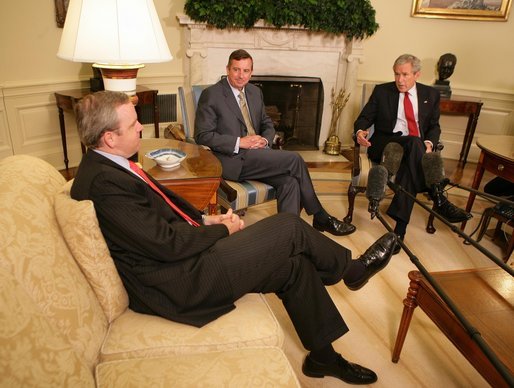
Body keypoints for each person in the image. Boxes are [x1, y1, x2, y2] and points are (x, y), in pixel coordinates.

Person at [71, 90, 397, 385]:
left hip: (185, 262)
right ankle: (351, 271)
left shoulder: (110, 165)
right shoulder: (103, 182)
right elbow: (165, 244)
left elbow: (158, 217)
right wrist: (221, 229)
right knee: (289, 226)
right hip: (179, 282)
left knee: (295, 264)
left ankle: (323, 358)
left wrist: (204, 217)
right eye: (133, 124)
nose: (141, 126)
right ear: (110, 138)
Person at [194, 49, 355, 237]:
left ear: (251, 72)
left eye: (246, 71)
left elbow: (267, 123)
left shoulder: (254, 92)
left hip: (259, 155)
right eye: (236, 70)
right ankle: (320, 216)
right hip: (233, 159)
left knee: (290, 182)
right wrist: (240, 142)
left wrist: (264, 139)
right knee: (294, 159)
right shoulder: (211, 94)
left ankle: (288, 237)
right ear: (228, 69)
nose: (241, 75)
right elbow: (202, 135)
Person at [354, 54, 471, 253]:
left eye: (405, 75)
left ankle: (399, 232)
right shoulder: (382, 91)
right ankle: (438, 196)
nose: (400, 80)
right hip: (388, 144)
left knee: (412, 158)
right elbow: (364, 118)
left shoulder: (430, 95)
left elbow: (434, 127)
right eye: (396, 74)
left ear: (417, 74)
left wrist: (428, 142)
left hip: (414, 149)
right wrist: (360, 132)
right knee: (414, 143)